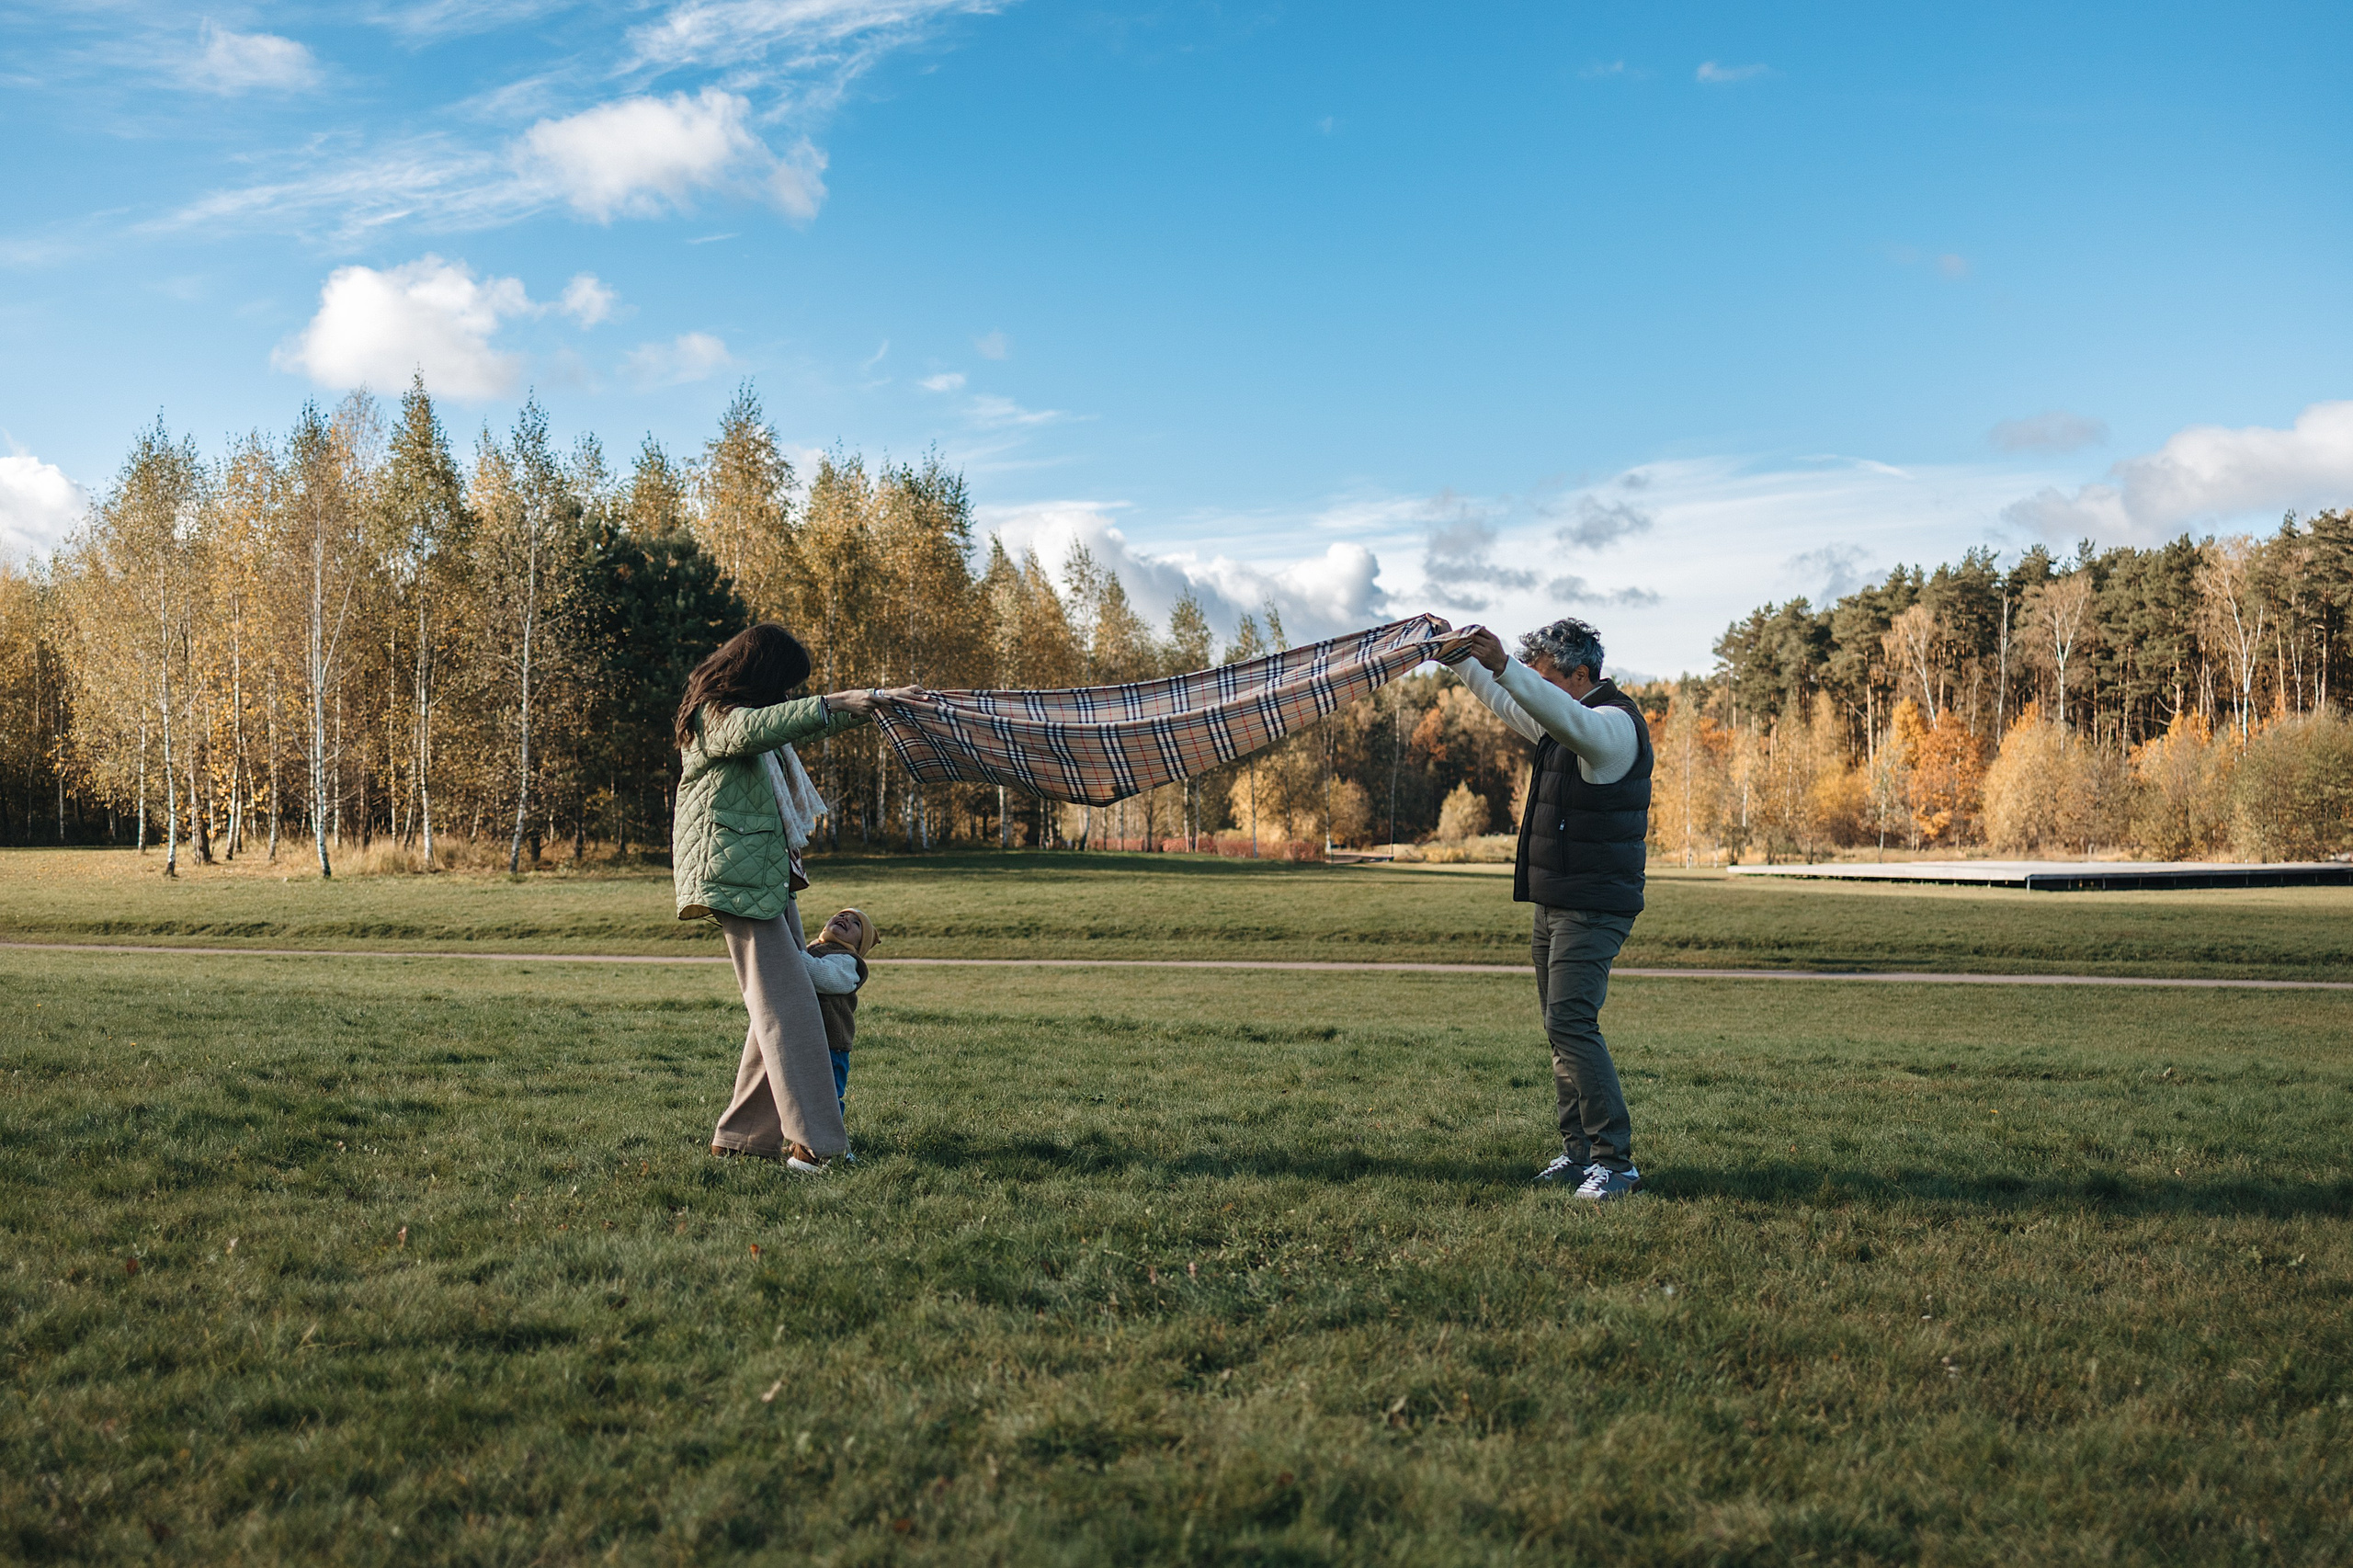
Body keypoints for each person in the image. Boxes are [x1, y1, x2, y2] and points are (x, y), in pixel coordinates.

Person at [673, 623, 916, 1172]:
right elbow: (759, 727)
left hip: (764, 875)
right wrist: (835, 701)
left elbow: (785, 727)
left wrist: (873, 704)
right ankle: (816, 1147)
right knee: (793, 1009)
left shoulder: (749, 721)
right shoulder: (713, 715)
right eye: (785, 684)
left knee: (777, 1009)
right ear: (760, 676)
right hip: (734, 878)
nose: (788, 696)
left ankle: (741, 1138)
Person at [1440, 616, 1653, 1201]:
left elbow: (1549, 709)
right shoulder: (1565, 725)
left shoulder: (1611, 728)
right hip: (1557, 899)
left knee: (1571, 1023)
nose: (1532, 683)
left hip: (1593, 904)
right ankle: (1577, 1154)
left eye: (1544, 674)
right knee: (1560, 1029)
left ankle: (1616, 1163)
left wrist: (1507, 665)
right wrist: (1460, 660)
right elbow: (1514, 705)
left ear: (1580, 674)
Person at [805, 907, 879, 1135]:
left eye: (856, 923)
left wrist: (791, 954)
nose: (845, 918)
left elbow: (819, 976)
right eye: (842, 914)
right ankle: (804, 1140)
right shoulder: (812, 948)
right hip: (808, 1040)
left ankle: (832, 1141)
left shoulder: (848, 961)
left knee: (825, 1096)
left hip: (830, 1044)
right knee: (802, 1095)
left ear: (859, 945)